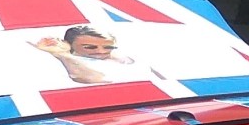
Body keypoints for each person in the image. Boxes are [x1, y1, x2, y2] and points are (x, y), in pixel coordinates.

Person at [32, 25, 162, 85]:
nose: (101, 51)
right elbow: (94, 80)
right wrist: (62, 54)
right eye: (90, 47)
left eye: (108, 47)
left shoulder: (128, 56)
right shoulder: (70, 61)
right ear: (69, 44)